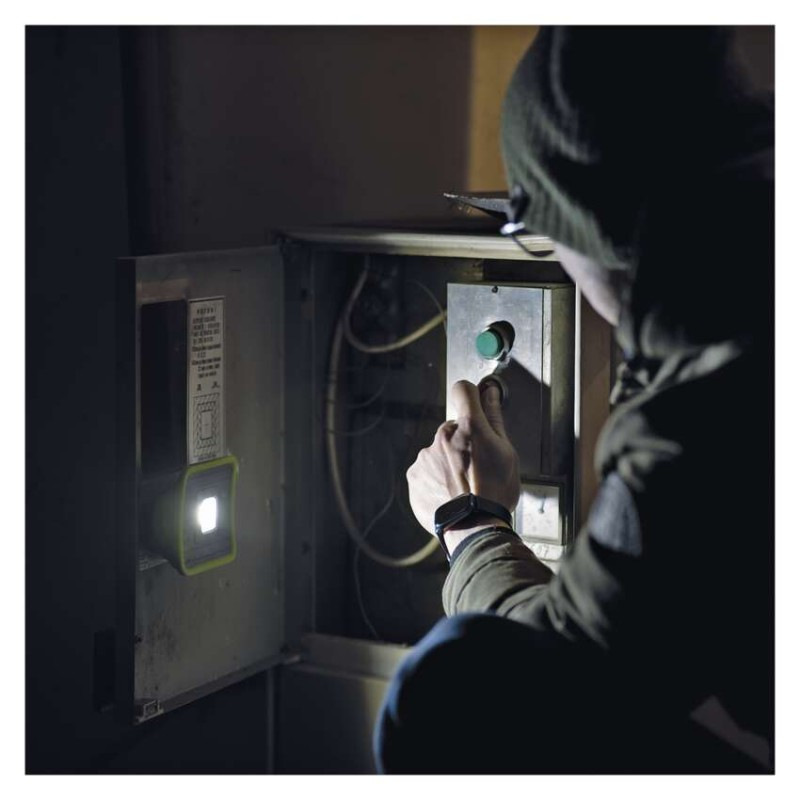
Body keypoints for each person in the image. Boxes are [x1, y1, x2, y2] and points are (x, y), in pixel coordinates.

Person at [373, 26, 774, 774]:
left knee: (443, 691)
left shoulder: (699, 422)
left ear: (584, 223)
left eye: (537, 232)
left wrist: (470, 524)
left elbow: (559, 669)